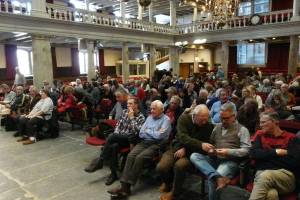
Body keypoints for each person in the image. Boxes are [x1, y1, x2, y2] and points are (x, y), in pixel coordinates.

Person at [107, 100, 172, 198]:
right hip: (144, 142)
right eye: (151, 109)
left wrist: (148, 131)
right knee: (131, 155)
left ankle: (126, 187)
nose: (152, 111)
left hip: (156, 145)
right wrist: (153, 132)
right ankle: (124, 185)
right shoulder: (149, 117)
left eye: (154, 109)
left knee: (140, 158)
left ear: (161, 110)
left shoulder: (166, 120)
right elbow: (141, 132)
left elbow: (159, 136)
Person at [190, 102, 251, 200]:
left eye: (226, 118)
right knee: (194, 156)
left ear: (234, 116)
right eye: (221, 117)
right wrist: (211, 150)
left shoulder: (242, 130)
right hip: (214, 158)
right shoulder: (217, 127)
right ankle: (217, 177)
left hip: (229, 162)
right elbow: (212, 143)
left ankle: (215, 178)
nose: (223, 120)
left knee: (212, 180)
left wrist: (228, 151)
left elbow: (247, 150)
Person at [156, 104, 214, 200]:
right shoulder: (184, 119)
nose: (204, 122)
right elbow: (183, 137)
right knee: (161, 167)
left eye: (206, 119)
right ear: (194, 116)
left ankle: (174, 193)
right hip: (177, 147)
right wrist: (199, 144)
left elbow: (204, 145)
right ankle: (167, 183)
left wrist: (187, 149)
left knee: (179, 166)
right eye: (201, 119)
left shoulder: (208, 125)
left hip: (192, 153)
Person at [84, 97, 145, 186]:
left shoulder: (141, 117)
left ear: (136, 105)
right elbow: (118, 126)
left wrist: (132, 118)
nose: (128, 106)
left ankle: (101, 160)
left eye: (131, 104)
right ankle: (113, 174)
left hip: (130, 139)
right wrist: (116, 135)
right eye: (128, 103)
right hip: (119, 137)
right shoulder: (124, 112)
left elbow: (136, 132)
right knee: (114, 146)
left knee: (112, 136)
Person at [249, 112, 300, 200]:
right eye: (260, 122)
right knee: (271, 195)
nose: (261, 125)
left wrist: (264, 158)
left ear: (275, 122)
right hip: (262, 176)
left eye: (263, 122)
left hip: (285, 178)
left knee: (266, 175)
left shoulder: (291, 138)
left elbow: (293, 162)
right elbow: (253, 154)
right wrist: (276, 152)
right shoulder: (260, 136)